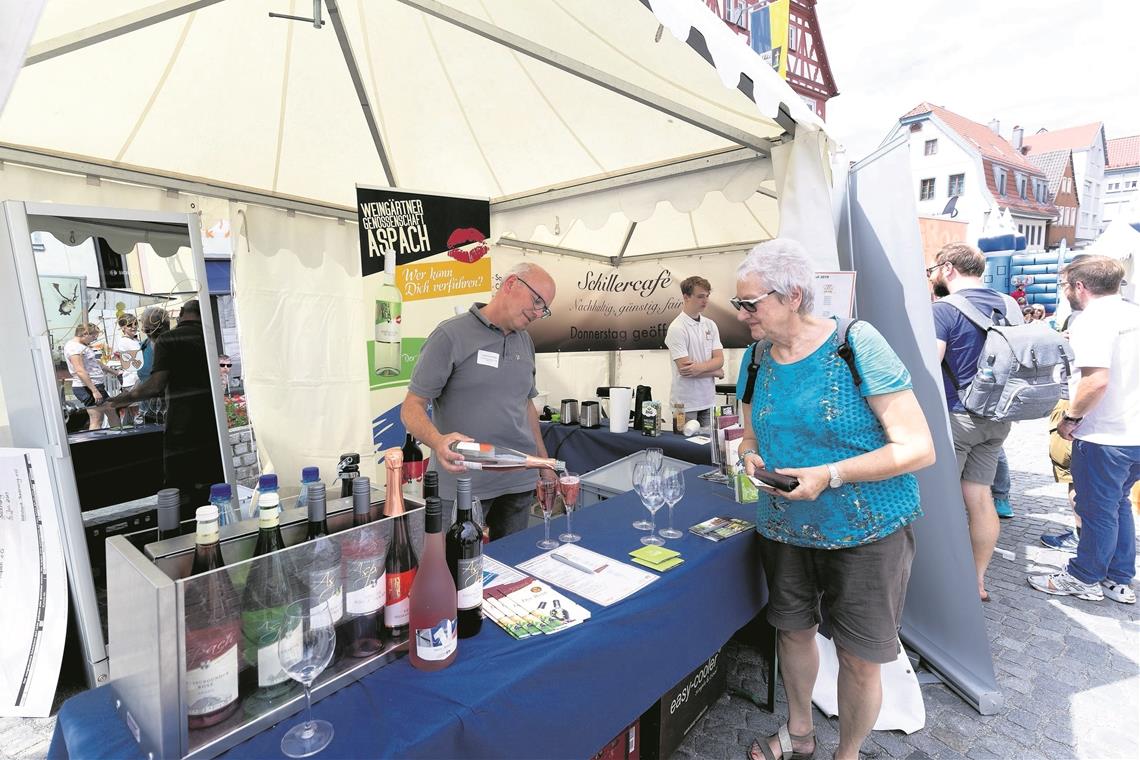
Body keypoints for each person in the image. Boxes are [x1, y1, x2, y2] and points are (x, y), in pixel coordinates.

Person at [733, 239, 935, 760]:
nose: (742, 314)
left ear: (793, 295)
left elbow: (918, 447)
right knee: (793, 634)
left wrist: (832, 473)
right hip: (785, 526)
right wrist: (749, 455)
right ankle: (800, 735)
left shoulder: (855, 342)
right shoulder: (755, 357)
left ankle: (846, 754)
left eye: (750, 304)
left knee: (860, 657)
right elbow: (751, 434)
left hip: (865, 530)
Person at [401, 262, 557, 540]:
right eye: (536, 301)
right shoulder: (450, 335)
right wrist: (438, 442)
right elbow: (411, 406)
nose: (537, 313)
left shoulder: (525, 342)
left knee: (511, 570)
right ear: (510, 284)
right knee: (455, 570)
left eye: (544, 309)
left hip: (517, 482)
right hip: (464, 483)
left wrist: (543, 464)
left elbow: (526, 404)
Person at [1029, 256, 1139, 604]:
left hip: (1104, 435)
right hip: (1132, 433)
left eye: (1065, 286)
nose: (1065, 293)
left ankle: (1084, 577)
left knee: (1096, 509)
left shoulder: (1094, 319)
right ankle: (1119, 579)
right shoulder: (1133, 313)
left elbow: (1096, 381)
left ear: (1080, 286)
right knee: (1118, 504)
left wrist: (1071, 419)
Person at [929, 242, 1022, 602]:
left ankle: (943, 581)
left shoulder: (944, 310)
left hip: (958, 415)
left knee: (944, 499)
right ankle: (977, 580)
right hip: (999, 415)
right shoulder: (1009, 304)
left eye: (935, 269)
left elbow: (931, 366)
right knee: (980, 497)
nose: (934, 276)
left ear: (948, 268)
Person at [110, 300, 225, 518]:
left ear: (180, 314)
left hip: (179, 418)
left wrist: (126, 396)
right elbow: (133, 372)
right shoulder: (206, 338)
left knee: (181, 483)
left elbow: (146, 379)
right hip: (207, 417)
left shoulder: (157, 342)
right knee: (209, 480)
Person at [1041, 306, 1083, 552]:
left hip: (1074, 403)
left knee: (1074, 477)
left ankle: (1081, 537)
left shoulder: (1082, 320)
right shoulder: (1130, 315)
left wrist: (1070, 417)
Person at [664, 276, 725, 428]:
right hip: (684, 404)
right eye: (700, 296)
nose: (705, 301)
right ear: (686, 297)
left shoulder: (710, 325)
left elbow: (720, 359)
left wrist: (701, 368)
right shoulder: (677, 328)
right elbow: (685, 370)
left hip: (708, 400)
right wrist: (715, 372)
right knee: (684, 448)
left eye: (707, 296)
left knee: (708, 448)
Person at [64, 323, 119, 431]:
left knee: (111, 410)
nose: (94, 339)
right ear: (85, 334)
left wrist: (115, 372)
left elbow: (95, 362)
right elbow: (79, 370)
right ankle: (95, 444)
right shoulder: (74, 348)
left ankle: (119, 435)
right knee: (97, 419)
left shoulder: (82, 346)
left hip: (96, 385)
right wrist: (94, 390)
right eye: (93, 336)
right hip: (87, 386)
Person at [113, 314, 143, 424]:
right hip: (132, 380)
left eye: (136, 324)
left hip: (137, 378)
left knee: (138, 413)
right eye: (130, 325)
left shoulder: (134, 340)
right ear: (123, 328)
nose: (134, 327)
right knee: (137, 414)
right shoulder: (125, 341)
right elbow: (132, 363)